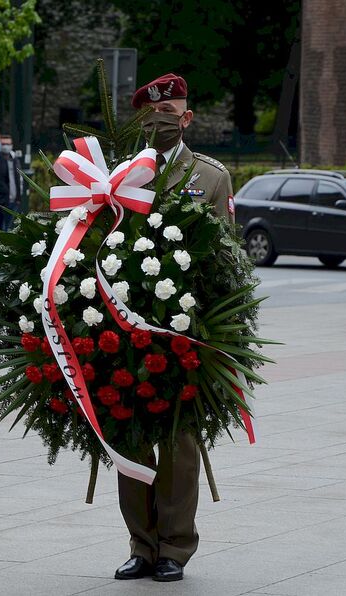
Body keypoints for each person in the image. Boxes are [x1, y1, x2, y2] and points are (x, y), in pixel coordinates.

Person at [112, 73, 233, 585]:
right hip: (124, 330)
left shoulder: (210, 177)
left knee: (180, 444)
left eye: (168, 115)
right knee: (130, 438)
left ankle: (175, 548)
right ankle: (141, 545)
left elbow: (227, 260)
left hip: (186, 332)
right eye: (150, 116)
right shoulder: (121, 174)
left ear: (186, 119)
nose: (158, 123)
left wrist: (220, 337)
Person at [133, 73, 235, 224]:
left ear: (186, 119)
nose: (156, 118)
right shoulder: (123, 170)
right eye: (148, 112)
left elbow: (226, 237)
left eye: (166, 110)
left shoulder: (213, 177)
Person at [0, 134, 21, 231]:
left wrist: (18, 197)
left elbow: (18, 179)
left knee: (8, 226)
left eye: (8, 144)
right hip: (0, 199)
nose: (6, 146)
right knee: (0, 226)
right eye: (3, 144)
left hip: (13, 200)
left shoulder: (14, 159)